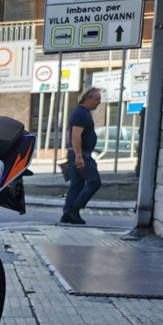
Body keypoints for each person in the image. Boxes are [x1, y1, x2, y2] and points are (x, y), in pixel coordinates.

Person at [61, 86, 102, 224]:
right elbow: (76, 136)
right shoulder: (81, 114)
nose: (99, 102)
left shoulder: (83, 113)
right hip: (80, 154)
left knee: (76, 185)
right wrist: (79, 156)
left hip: (78, 153)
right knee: (94, 182)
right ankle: (73, 210)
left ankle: (67, 214)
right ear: (88, 98)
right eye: (97, 99)